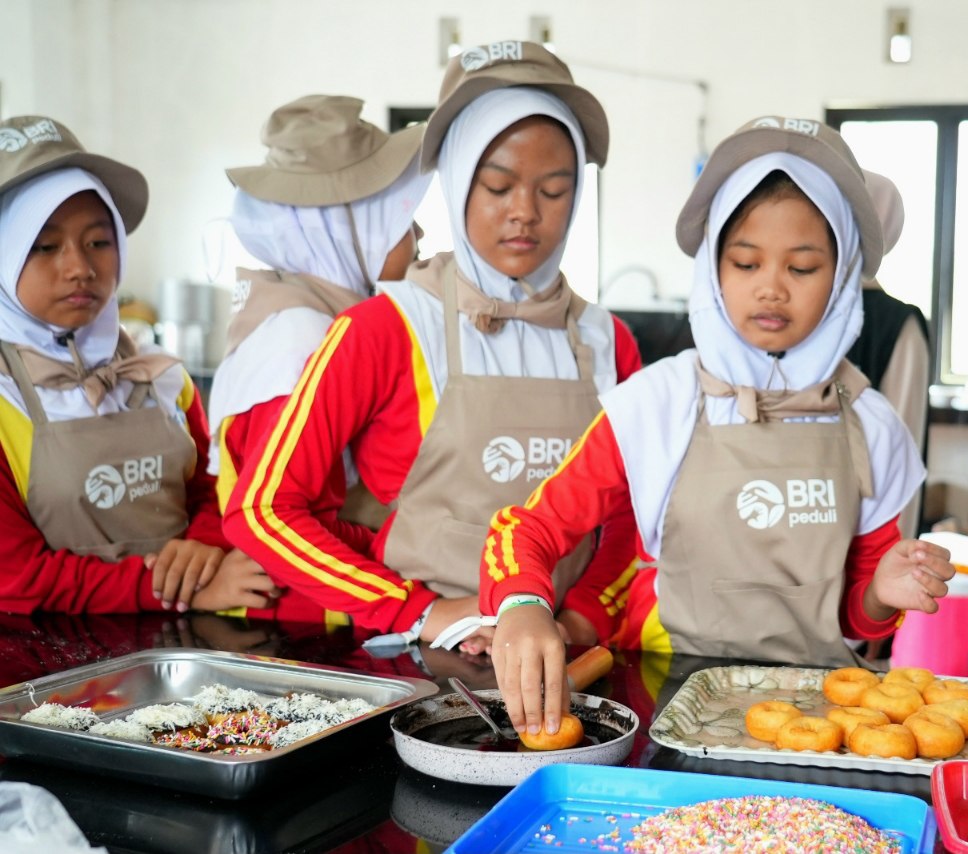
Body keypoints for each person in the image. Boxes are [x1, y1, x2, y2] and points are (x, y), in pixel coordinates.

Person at [481, 116, 956, 736]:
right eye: (746, 263)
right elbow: (529, 528)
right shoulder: (658, 402)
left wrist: (879, 594)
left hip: (815, 717)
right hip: (663, 696)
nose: (772, 289)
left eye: (804, 267)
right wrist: (522, 606)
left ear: (842, 279)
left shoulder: (870, 422)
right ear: (714, 269)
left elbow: (853, 615)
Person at [223, 42, 643, 649]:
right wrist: (416, 611)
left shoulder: (608, 341)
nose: (524, 213)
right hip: (419, 660)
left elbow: (636, 516)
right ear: (454, 186)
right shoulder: (386, 328)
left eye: (553, 190)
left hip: (566, 652)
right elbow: (261, 510)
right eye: (497, 186)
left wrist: (581, 618)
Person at [0, 115, 277, 614]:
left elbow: (214, 490)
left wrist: (204, 543)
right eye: (44, 246)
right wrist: (174, 591)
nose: (80, 267)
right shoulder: (7, 399)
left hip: (182, 652)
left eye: (98, 242)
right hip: (49, 668)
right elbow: (16, 579)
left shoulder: (161, 377)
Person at [208, 95, 430, 545]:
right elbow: (293, 526)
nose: (420, 234)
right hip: (318, 607)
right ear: (352, 231)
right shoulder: (299, 342)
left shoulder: (306, 315)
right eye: (402, 221)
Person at [846, 170, 929, 538]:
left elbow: (901, 447)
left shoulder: (897, 324)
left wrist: (890, 559)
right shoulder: (790, 311)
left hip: (867, 544)